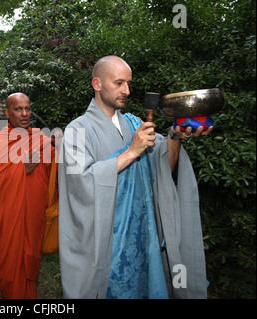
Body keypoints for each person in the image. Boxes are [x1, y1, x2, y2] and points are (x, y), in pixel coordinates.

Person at [58, 56, 210, 299]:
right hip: (107, 242)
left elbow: (163, 168)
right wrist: (131, 152)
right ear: (97, 84)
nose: (126, 91)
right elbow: (80, 185)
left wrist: (176, 135)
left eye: (128, 84)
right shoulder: (76, 131)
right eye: (119, 83)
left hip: (142, 237)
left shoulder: (134, 124)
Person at [0, 92, 56, 299]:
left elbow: (57, 176)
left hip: (33, 215)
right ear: (7, 112)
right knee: (11, 266)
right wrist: (21, 169)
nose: (24, 113)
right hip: (8, 218)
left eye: (28, 108)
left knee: (30, 263)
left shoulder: (41, 140)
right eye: (18, 109)